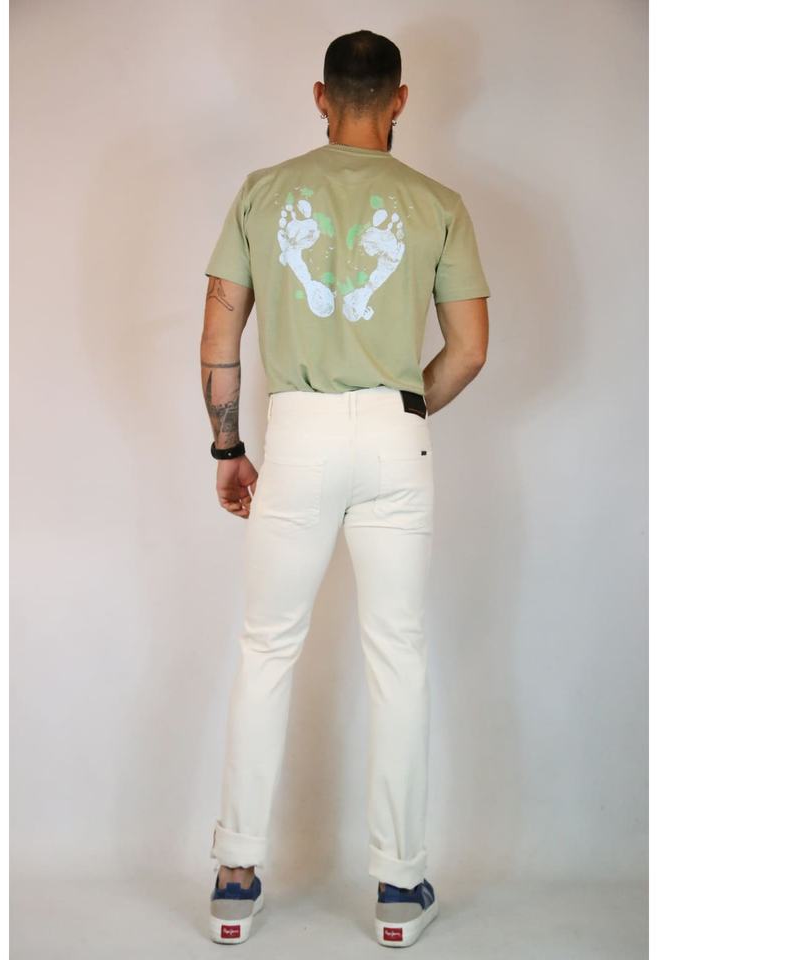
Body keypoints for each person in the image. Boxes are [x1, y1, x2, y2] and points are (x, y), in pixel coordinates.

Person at [200, 29, 490, 947]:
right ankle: (399, 890)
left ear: (320, 97)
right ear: (399, 100)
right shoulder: (438, 204)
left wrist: (228, 447)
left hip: (297, 435)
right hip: (396, 437)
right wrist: (404, 409)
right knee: (397, 653)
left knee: (267, 648)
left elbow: (217, 339)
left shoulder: (262, 191)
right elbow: (470, 349)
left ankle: (236, 878)